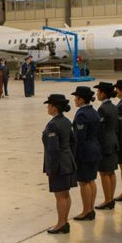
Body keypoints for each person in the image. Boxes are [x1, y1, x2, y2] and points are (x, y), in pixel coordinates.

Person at [41, 94, 77, 234]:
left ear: (54, 107)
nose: (47, 108)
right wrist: (69, 157)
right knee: (65, 194)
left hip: (59, 164)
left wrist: (53, 167)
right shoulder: (66, 121)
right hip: (68, 161)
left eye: (49, 105)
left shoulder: (53, 125)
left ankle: (61, 223)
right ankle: (64, 221)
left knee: (60, 195)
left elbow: (53, 149)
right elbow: (73, 142)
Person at [70, 87, 101, 222]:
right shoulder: (93, 111)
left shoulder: (82, 114)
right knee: (91, 180)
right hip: (95, 148)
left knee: (83, 182)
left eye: (76, 98)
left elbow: (79, 137)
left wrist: (75, 155)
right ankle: (90, 208)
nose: (74, 100)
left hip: (85, 151)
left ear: (81, 99)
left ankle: (86, 210)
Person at [94, 82, 119, 210]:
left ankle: (108, 200)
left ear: (103, 93)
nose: (97, 94)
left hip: (105, 142)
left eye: (98, 92)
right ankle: (111, 198)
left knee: (104, 173)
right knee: (111, 172)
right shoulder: (114, 107)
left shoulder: (102, 109)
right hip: (113, 140)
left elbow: (100, 128)